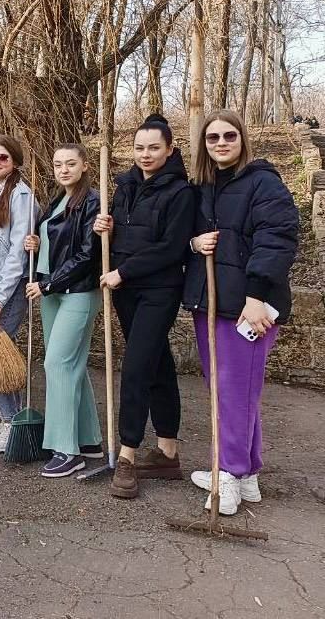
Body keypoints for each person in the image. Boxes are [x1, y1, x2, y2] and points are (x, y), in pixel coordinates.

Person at [183, 109, 298, 515]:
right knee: (227, 391)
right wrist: (196, 244)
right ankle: (246, 472)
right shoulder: (204, 186)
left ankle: (228, 472)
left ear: (243, 139)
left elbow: (278, 240)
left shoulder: (264, 182)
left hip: (248, 306)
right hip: (210, 301)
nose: (221, 143)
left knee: (236, 391)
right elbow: (184, 235)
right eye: (212, 138)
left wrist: (255, 296)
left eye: (228, 136)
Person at [93, 115, 195, 499]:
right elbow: (125, 231)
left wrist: (124, 270)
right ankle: (168, 452)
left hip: (159, 290)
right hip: (126, 290)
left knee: (135, 366)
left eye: (154, 147)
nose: (146, 154)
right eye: (140, 147)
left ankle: (128, 456)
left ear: (169, 149)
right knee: (158, 364)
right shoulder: (124, 186)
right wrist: (106, 227)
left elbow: (171, 248)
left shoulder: (181, 192)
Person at [24, 143, 103, 478]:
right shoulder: (57, 200)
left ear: (85, 166)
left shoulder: (92, 201)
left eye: (71, 163)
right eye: (58, 164)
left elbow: (87, 255)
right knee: (73, 365)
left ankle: (65, 450)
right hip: (52, 290)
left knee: (57, 363)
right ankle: (87, 439)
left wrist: (47, 284)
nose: (64, 169)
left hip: (75, 292)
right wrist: (38, 243)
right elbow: (59, 242)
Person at [0, 136, 39, 453]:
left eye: (3, 157)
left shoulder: (21, 196)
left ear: (14, 161)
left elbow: (18, 252)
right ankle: (8, 419)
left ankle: (13, 421)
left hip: (9, 289)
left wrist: (0, 295)